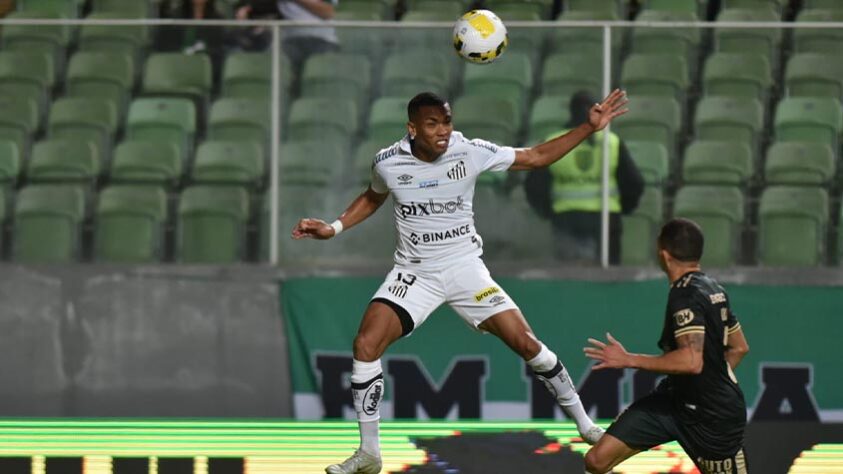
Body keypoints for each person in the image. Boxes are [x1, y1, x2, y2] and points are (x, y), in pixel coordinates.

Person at [292, 89, 629, 474]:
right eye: (433, 124)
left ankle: (585, 425)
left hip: (465, 268)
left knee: (527, 343)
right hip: (415, 272)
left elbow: (535, 157)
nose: (443, 131)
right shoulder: (388, 162)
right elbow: (373, 197)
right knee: (365, 344)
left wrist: (589, 126)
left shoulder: (469, 151)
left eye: (447, 122)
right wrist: (333, 228)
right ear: (412, 128)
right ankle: (369, 453)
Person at [582, 218, 750, 474]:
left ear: (664, 254)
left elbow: (691, 361)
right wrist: (710, 378)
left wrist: (629, 359)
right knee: (596, 460)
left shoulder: (685, 295)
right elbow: (739, 347)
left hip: (711, 418)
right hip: (672, 400)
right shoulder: (714, 289)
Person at [524, 90, 644, 264]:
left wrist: (549, 213)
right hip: (606, 219)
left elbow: (534, 186)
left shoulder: (553, 141)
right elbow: (634, 183)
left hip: (567, 220)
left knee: (569, 280)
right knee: (608, 282)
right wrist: (622, 209)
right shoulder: (611, 142)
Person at [236, 0, 339, 77]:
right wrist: (246, 9)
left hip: (323, 40)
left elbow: (328, 12)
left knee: (320, 77)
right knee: (271, 66)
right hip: (290, 41)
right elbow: (257, 7)